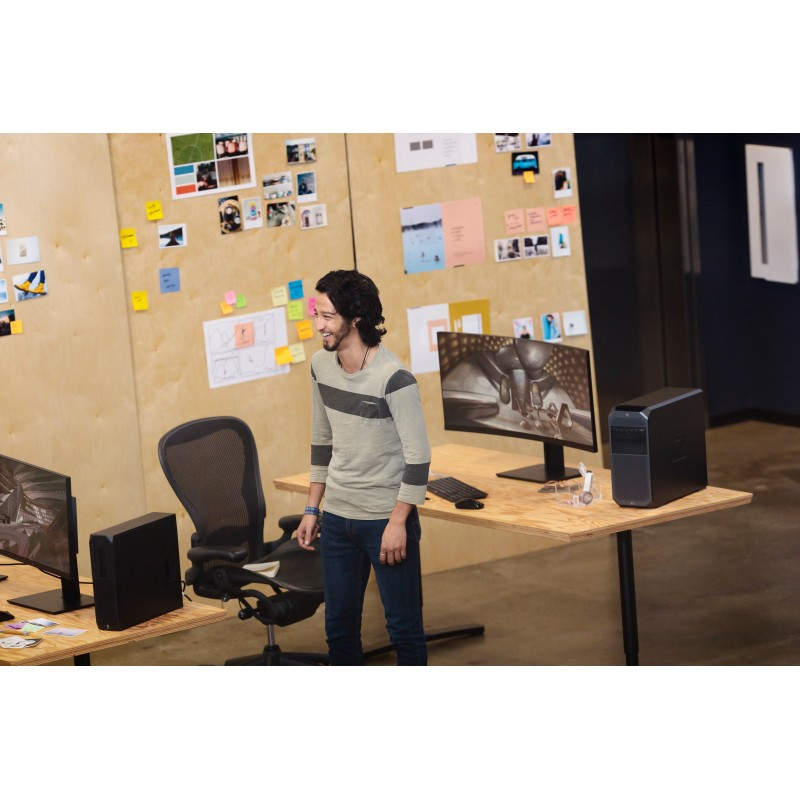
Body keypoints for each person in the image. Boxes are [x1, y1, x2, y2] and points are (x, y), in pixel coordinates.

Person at [295, 269, 431, 665]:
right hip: (338, 519)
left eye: (328, 316)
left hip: (384, 519)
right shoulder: (321, 366)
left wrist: (398, 522)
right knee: (338, 629)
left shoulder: (394, 379)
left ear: (355, 318)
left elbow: (419, 458)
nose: (319, 325)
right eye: (317, 314)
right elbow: (322, 439)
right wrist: (312, 508)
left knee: (403, 629)